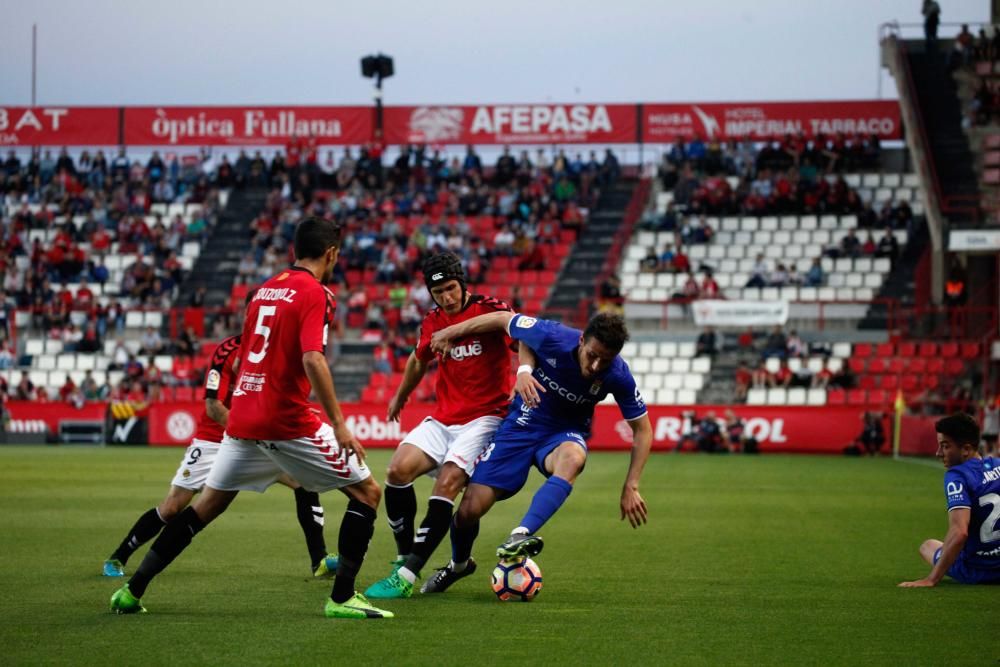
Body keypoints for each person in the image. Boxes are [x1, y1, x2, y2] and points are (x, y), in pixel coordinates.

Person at [110, 217, 393, 619]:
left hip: (242, 419)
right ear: (331, 253)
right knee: (367, 492)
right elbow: (313, 358)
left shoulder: (264, 290)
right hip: (286, 419)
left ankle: (132, 591)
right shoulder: (316, 292)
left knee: (204, 506)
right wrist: (341, 424)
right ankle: (343, 597)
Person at [419, 311, 652, 594]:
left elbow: (642, 430)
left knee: (574, 459)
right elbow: (506, 320)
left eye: (606, 360)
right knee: (468, 511)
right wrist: (452, 333)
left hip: (562, 433)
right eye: (592, 355)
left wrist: (632, 485)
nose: (596, 365)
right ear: (581, 341)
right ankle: (459, 565)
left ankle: (520, 535)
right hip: (521, 425)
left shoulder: (618, 375)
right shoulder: (554, 335)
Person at [102, 320, 334, 580]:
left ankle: (320, 561)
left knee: (305, 483)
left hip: (258, 439)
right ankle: (119, 556)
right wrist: (248, 429)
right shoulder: (227, 351)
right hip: (215, 440)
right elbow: (214, 407)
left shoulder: (278, 352)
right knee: (172, 507)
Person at [363, 252, 526, 600]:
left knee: (449, 481)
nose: (447, 298)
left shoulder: (490, 309)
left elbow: (522, 335)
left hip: (485, 417)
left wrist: (523, 374)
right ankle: (403, 555)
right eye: (439, 293)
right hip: (443, 417)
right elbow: (417, 358)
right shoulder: (431, 320)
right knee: (396, 470)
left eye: (451, 289)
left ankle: (407, 576)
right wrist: (401, 395)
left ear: (462, 283)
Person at [899, 413, 1000, 587]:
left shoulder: (957, 476)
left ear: (966, 449)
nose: (938, 453)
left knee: (927, 546)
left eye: (945, 446)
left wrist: (931, 579)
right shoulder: (998, 464)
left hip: (977, 571)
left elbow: (960, 532)